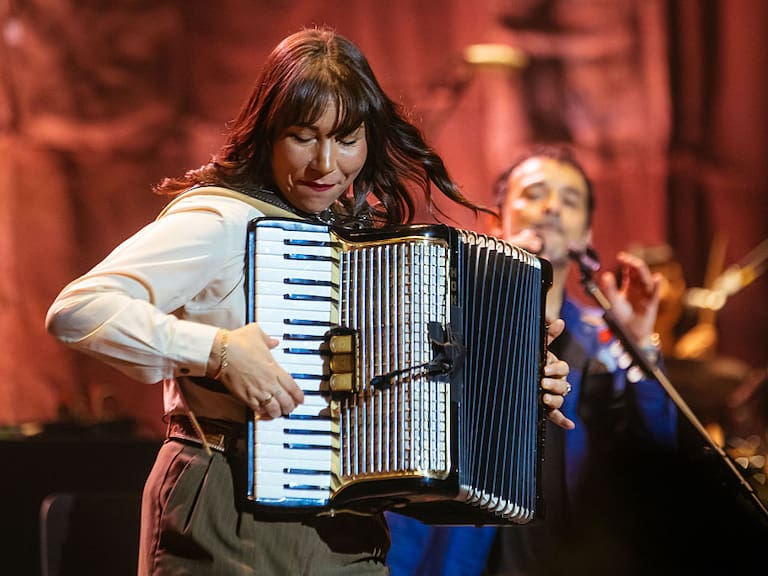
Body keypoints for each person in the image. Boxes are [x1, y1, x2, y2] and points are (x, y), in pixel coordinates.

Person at [45, 28, 573, 576]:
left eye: (346, 140)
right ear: (268, 135)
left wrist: (513, 384)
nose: (326, 164)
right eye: (303, 137)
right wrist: (218, 351)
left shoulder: (359, 247)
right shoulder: (222, 219)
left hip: (349, 527)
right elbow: (80, 308)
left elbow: (401, 396)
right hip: (228, 505)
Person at [385, 144, 679, 576]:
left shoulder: (602, 342)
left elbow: (658, 447)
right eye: (534, 193)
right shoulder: (444, 312)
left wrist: (639, 346)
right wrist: (486, 292)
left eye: (570, 200)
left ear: (586, 236)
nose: (552, 207)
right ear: (496, 222)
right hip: (452, 556)